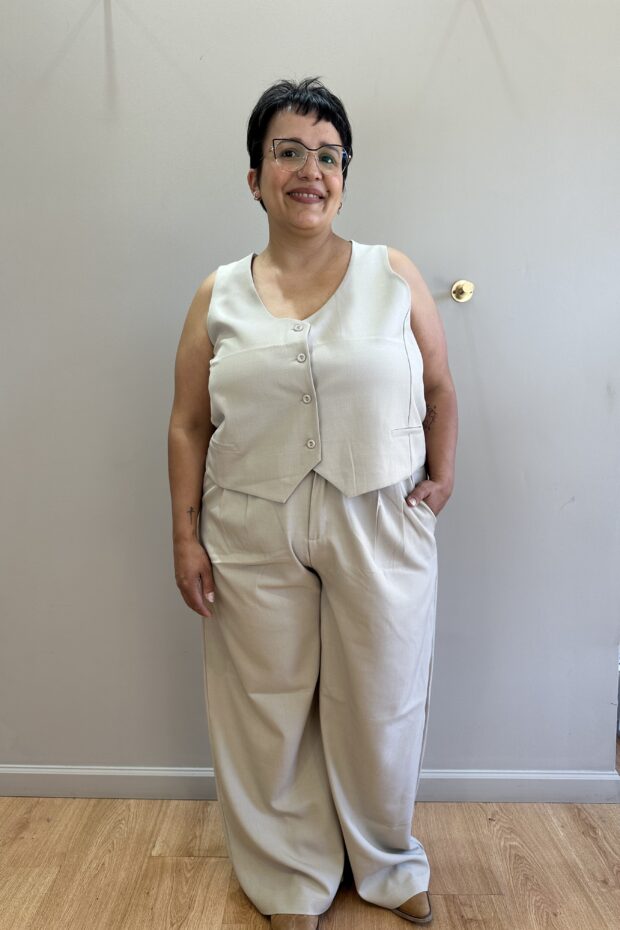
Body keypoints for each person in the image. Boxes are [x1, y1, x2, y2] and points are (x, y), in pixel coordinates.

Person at [168, 76, 458, 929]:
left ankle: (388, 863)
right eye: (288, 152)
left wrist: (442, 474)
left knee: (383, 699)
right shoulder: (217, 293)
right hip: (249, 523)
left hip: (381, 517)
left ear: (344, 176)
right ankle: (289, 876)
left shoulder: (392, 274)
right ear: (254, 176)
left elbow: (440, 387)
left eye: (328, 156)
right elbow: (187, 423)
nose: (310, 170)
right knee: (265, 706)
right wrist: (184, 536)